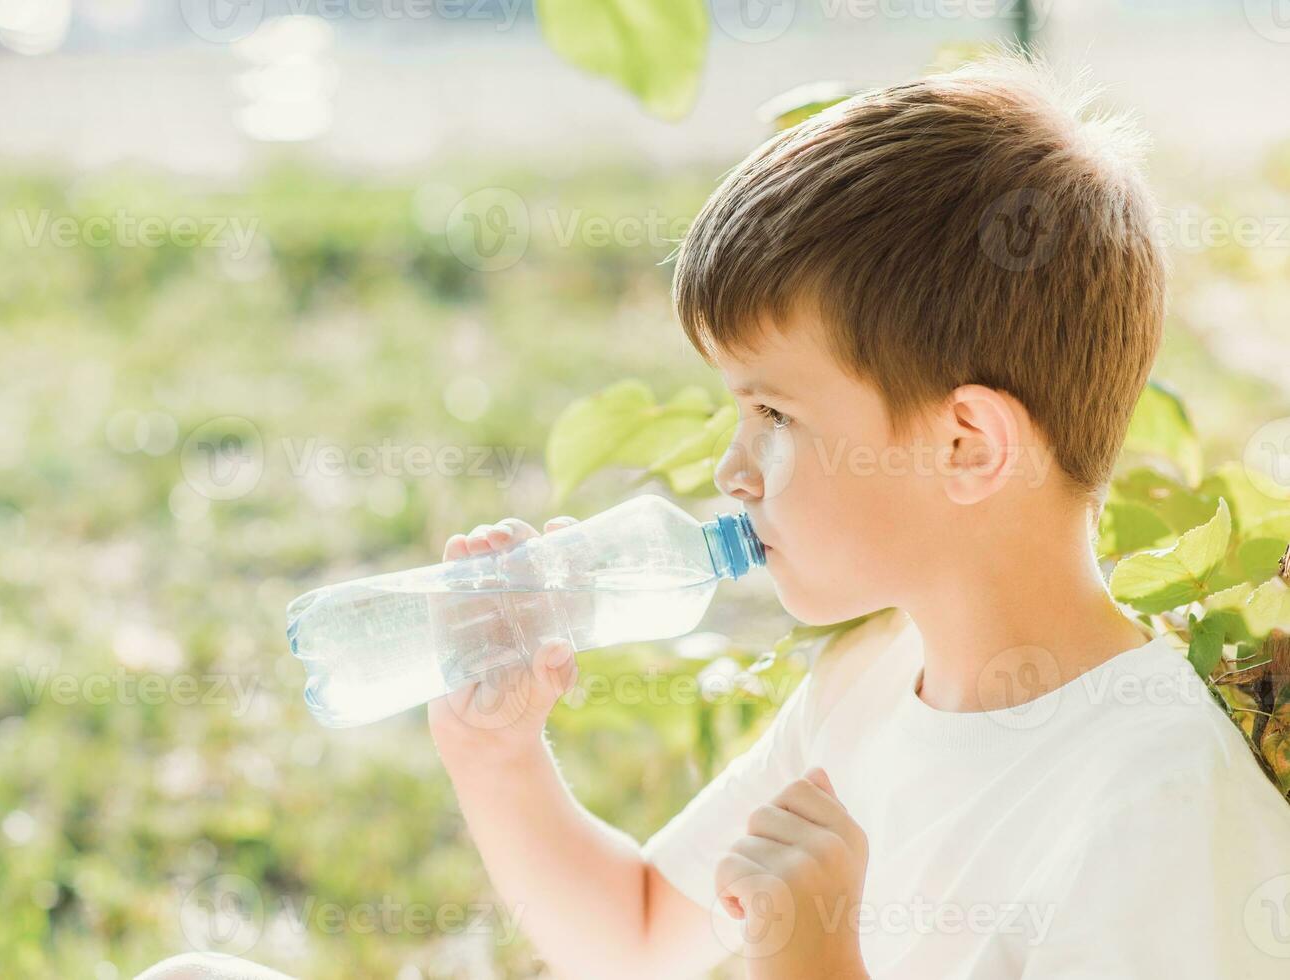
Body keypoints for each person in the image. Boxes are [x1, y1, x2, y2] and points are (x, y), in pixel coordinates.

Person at [139, 51, 1290, 980]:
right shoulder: (875, 678)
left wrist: (815, 964)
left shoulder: (1157, 804)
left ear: (965, 445)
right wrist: (498, 754)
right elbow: (636, 932)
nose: (734, 468)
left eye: (775, 414)